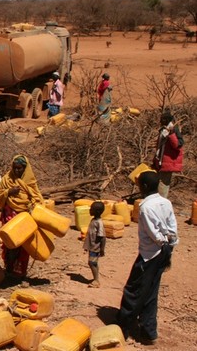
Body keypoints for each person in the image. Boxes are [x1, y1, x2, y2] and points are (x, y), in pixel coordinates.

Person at [117, 171, 178, 345]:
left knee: (133, 290)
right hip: (165, 250)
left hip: (150, 253)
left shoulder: (146, 207)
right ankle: (148, 332)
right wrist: (170, 243)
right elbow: (172, 226)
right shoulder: (165, 202)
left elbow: (153, 233)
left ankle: (122, 328)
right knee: (151, 291)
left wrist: (161, 242)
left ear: (143, 187)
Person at [0, 155, 43, 277]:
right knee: (10, 244)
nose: (17, 171)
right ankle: (9, 269)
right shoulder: (7, 179)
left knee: (23, 246)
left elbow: (37, 198)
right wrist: (8, 192)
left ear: (25, 168)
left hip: (24, 217)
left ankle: (20, 272)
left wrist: (32, 207)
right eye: (15, 168)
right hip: (10, 216)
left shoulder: (30, 182)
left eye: (20, 168)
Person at [153, 111, 183, 198]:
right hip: (160, 162)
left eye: (163, 119)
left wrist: (171, 134)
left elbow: (177, 145)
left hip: (168, 162)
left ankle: (162, 204)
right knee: (158, 184)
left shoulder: (174, 129)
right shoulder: (163, 129)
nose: (161, 121)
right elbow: (159, 147)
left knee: (163, 186)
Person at [84, 201, 106, 288]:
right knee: (93, 262)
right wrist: (87, 246)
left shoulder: (99, 223)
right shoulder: (93, 220)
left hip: (95, 247)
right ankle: (96, 278)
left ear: (96, 211)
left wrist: (102, 249)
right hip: (92, 246)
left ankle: (96, 280)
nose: (89, 210)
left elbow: (103, 237)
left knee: (91, 262)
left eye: (91, 209)